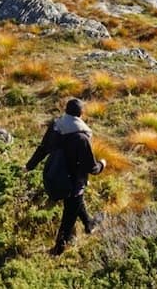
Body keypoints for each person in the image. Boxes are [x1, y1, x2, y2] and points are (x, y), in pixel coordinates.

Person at [26, 98, 106, 256]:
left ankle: (89, 224)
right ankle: (58, 249)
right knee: (69, 217)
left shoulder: (55, 126)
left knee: (76, 202)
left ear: (66, 111)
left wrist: (29, 166)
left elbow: (43, 149)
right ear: (81, 114)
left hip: (54, 176)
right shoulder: (81, 138)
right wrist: (103, 164)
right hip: (73, 183)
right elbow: (92, 168)